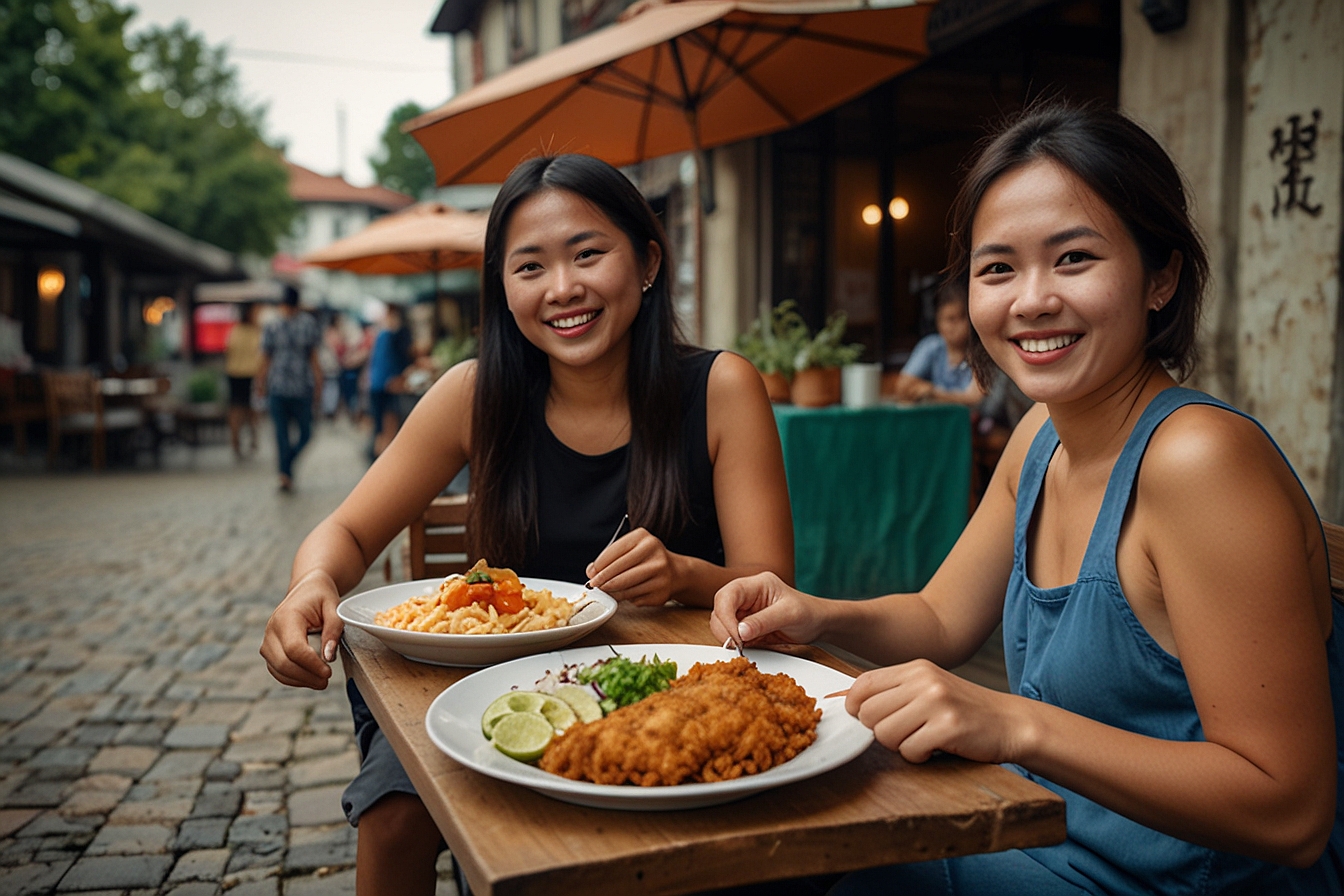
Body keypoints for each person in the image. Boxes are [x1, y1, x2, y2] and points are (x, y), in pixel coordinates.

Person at [712, 100, 1343, 895]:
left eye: (1074, 258)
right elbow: (941, 619)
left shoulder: (1199, 462)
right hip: (1039, 834)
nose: (1031, 300)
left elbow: (1290, 811)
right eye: (998, 267)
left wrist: (1015, 722)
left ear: (1162, 276)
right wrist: (818, 613)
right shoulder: (1041, 435)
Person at [259, 154, 794, 896]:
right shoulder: (474, 394)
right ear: (503, 288)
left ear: (645, 261)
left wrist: (685, 575)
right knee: (395, 817)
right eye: (530, 266)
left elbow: (773, 588)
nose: (563, 288)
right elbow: (345, 533)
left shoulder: (721, 388)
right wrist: (308, 584)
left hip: (676, 687)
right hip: (482, 685)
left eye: (587, 254)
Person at [255, 286, 322, 492]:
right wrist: (260, 383)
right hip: (280, 387)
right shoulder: (273, 326)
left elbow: (312, 357)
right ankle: (285, 475)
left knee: (305, 433)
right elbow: (266, 358)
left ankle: (286, 465)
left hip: (300, 387)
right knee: (282, 434)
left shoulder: (305, 325)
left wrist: (319, 384)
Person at [893, 281, 985, 408]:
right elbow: (903, 387)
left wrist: (932, 392)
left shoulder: (981, 351)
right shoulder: (931, 346)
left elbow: (974, 398)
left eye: (963, 317)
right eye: (950, 319)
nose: (958, 325)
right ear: (938, 321)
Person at [365, 302, 413, 460]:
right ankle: (381, 460)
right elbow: (397, 361)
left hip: (376, 384)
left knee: (381, 425)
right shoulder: (391, 336)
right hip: (386, 385)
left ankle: (378, 457)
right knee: (387, 425)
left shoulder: (382, 335)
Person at [224, 302, 263, 459]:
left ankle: (235, 442)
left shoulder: (235, 331)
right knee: (252, 408)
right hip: (251, 374)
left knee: (236, 408)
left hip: (234, 373)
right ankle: (253, 438)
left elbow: (228, 350)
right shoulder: (256, 332)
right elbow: (262, 355)